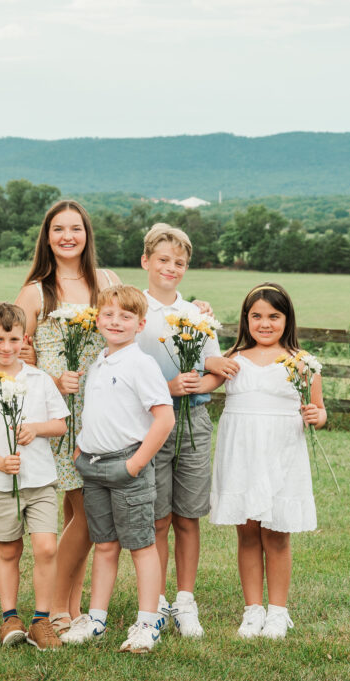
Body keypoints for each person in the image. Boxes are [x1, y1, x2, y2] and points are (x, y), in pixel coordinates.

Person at [197, 282, 326, 639]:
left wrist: (317, 416)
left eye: (274, 316)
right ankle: (252, 610)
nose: (265, 323)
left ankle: (278, 612)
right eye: (256, 316)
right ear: (245, 319)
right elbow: (197, 382)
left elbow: (319, 409)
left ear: (287, 319)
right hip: (242, 455)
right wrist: (198, 325)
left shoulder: (301, 363)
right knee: (248, 532)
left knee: (278, 533)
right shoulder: (233, 360)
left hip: (281, 455)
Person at [14, 199, 120, 634]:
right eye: (58, 229)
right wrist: (52, 379)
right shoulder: (36, 291)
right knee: (88, 512)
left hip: (107, 409)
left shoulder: (107, 281)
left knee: (84, 513)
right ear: (47, 236)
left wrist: (196, 308)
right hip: (62, 415)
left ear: (86, 234)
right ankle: (57, 607)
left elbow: (138, 318)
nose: (67, 237)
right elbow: (16, 357)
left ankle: (70, 606)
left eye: (75, 228)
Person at [135, 223, 240, 638]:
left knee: (188, 516)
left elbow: (213, 369)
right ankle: (156, 601)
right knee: (157, 516)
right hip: (150, 419)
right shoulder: (135, 310)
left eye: (179, 262)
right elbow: (124, 375)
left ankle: (185, 600)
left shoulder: (197, 315)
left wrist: (207, 379)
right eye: (163, 259)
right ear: (146, 261)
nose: (171, 268)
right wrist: (167, 388)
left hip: (194, 422)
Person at [60, 285, 175, 653]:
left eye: (125, 316)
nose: (116, 322)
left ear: (140, 324)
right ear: (97, 320)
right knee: (105, 545)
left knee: (141, 545)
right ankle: (96, 619)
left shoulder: (141, 364)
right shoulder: (100, 361)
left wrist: (136, 463)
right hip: (93, 467)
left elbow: (164, 417)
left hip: (127, 466)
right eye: (108, 314)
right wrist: (81, 447)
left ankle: (148, 622)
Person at [0, 303, 70, 649]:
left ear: (25, 339)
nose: (6, 347)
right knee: (8, 549)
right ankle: (10, 618)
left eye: (14, 339)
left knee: (46, 547)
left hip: (40, 480)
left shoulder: (39, 381)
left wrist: (34, 429)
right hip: (0, 482)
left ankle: (41, 619)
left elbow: (60, 424)